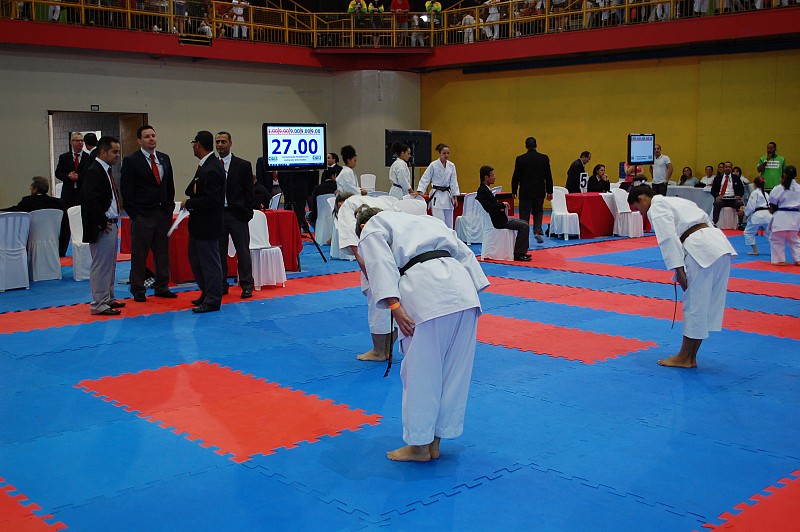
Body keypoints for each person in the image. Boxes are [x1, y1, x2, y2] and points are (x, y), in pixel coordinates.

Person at [355, 208, 490, 461]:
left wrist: (394, 306)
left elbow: (380, 264)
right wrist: (471, 289)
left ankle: (418, 446)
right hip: (464, 292)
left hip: (426, 292)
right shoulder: (426, 220)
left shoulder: (373, 226)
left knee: (421, 373)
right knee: (454, 372)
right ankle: (435, 442)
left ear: (361, 227)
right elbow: (465, 254)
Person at [627, 185, 736, 369]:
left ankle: (684, 357)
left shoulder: (656, 206)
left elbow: (668, 238)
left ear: (642, 199)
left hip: (700, 249)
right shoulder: (677, 201)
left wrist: (679, 270)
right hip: (719, 246)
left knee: (694, 304)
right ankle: (691, 356)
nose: (642, 213)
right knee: (704, 305)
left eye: (638, 208)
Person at [336, 192, 400, 362]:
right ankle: (388, 350)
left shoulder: (346, 212)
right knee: (395, 303)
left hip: (380, 260)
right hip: (397, 259)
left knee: (378, 305)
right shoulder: (384, 204)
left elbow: (358, 252)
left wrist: (373, 278)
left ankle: (379, 351)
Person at [120, 125, 177, 303]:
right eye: (147, 136)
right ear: (139, 140)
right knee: (140, 254)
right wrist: (135, 215)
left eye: (153, 135)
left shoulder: (164, 158)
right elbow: (126, 191)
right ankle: (138, 288)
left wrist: (169, 208)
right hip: (142, 214)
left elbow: (169, 185)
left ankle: (162, 286)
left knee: (162, 252)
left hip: (162, 213)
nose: (151, 139)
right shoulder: (131, 160)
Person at [80, 137, 125, 316]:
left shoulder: (105, 170)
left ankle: (107, 298)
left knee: (110, 265)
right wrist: (101, 222)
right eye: (114, 152)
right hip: (102, 226)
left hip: (111, 223)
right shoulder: (94, 171)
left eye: (118, 152)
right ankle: (98, 303)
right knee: (101, 265)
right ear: (103, 152)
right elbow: (89, 200)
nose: (117, 155)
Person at [182, 131, 226, 313]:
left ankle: (213, 299)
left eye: (194, 143)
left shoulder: (212, 168)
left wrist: (190, 203)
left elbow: (211, 200)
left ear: (198, 144)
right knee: (196, 260)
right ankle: (207, 291)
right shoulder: (205, 165)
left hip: (208, 224)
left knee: (209, 263)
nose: (193, 146)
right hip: (199, 224)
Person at [215, 131, 255, 298]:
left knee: (243, 251)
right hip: (218, 214)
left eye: (223, 141)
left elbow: (249, 191)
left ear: (230, 143)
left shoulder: (243, 165)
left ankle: (246, 284)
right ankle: (221, 284)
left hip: (237, 214)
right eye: (217, 142)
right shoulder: (212, 165)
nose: (220, 145)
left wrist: (247, 212)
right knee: (219, 251)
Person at [2, 176, 70, 257]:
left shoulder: (27, 202)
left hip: (32, 241)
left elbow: (15, 210)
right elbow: (65, 227)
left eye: (31, 187)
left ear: (35, 189)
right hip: (54, 242)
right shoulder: (59, 204)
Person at [477, 165, 531, 261]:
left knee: (524, 223)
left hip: (500, 219)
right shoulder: (483, 191)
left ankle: (520, 251)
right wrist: (502, 205)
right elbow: (489, 208)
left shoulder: (485, 190)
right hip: (498, 222)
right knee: (524, 226)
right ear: (486, 177)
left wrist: (501, 205)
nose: (494, 177)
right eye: (492, 175)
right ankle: (519, 253)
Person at [511, 136, 553, 243]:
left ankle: (524, 236)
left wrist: (514, 190)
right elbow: (548, 176)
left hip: (525, 191)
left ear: (526, 146)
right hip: (539, 191)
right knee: (538, 211)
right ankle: (537, 230)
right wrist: (550, 191)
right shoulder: (544, 158)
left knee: (524, 214)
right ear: (536, 145)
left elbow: (516, 176)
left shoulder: (520, 159)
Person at [417, 143, 460, 229]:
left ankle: (449, 237)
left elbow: (454, 182)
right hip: (437, 196)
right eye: (444, 153)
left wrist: (455, 197)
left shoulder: (451, 166)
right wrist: (419, 191)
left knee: (449, 223)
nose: (446, 155)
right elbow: (425, 178)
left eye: (448, 153)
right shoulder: (433, 165)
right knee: (439, 222)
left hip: (448, 196)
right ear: (439, 153)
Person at [767, 166, 800, 266]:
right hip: (795, 215)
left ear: (784, 174)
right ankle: (798, 259)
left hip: (781, 215)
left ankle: (779, 260)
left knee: (776, 238)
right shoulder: (799, 188)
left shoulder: (779, 188)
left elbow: (772, 202)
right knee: (794, 239)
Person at [54, 132, 86, 209]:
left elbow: (90, 174)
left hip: (82, 191)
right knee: (66, 211)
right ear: (71, 142)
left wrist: (79, 177)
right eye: (77, 140)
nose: (80, 142)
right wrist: (68, 176)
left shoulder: (88, 157)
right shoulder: (64, 157)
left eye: (82, 140)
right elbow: (58, 173)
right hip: (68, 191)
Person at [741, 176, 772, 255]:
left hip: (758, 216)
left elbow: (751, 206)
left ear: (754, 184)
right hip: (768, 216)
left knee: (748, 232)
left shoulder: (755, 193)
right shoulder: (766, 194)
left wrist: (746, 213)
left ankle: (755, 250)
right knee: (770, 234)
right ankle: (775, 251)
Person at [710, 161, 744, 227]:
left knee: (740, 203)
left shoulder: (736, 178)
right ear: (723, 168)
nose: (728, 168)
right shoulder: (717, 178)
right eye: (726, 167)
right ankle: (714, 223)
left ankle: (740, 224)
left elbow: (741, 189)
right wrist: (717, 196)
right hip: (722, 199)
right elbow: (713, 190)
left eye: (729, 167)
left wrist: (739, 196)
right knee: (717, 203)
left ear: (731, 168)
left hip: (733, 199)